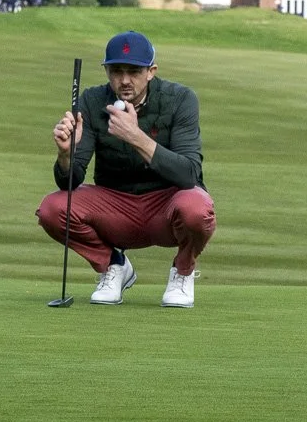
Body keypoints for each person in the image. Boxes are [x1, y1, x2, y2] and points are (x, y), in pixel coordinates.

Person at [37, 31, 214, 308]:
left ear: (151, 71)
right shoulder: (93, 100)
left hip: (165, 205)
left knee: (197, 208)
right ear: (107, 70)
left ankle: (182, 272)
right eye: (116, 71)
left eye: (134, 71)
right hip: (115, 208)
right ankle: (113, 265)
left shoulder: (180, 99)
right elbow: (68, 183)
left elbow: (189, 175)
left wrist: (136, 137)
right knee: (52, 208)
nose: (125, 80)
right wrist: (65, 155)